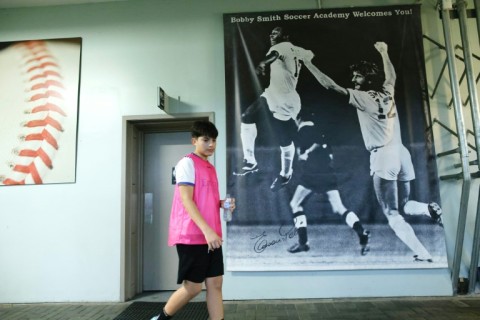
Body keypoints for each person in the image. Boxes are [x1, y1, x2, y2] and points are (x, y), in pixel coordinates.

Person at [302, 42, 442, 262]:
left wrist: (308, 63)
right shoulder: (387, 93)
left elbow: (329, 86)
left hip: (383, 156)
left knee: (391, 213)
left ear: (367, 79)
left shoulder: (364, 97)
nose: (354, 80)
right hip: (401, 153)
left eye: (357, 76)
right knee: (404, 205)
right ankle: (427, 209)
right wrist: (385, 52)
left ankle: (423, 253)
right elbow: (391, 77)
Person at [150, 120, 235, 320]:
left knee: (215, 284)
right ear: (194, 140)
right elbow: (186, 200)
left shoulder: (210, 167)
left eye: (214, 140)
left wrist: (222, 203)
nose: (211, 144)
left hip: (211, 236)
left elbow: (205, 200)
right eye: (206, 140)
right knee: (193, 287)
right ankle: (161, 318)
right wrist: (207, 231)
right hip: (193, 235)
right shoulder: (187, 163)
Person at [235, 26, 314, 192]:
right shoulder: (297, 49)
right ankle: (250, 160)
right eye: (270, 32)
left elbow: (273, 55)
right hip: (273, 94)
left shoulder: (280, 46)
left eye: (275, 32)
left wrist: (263, 63)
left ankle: (286, 173)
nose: (271, 35)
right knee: (247, 116)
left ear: (285, 35)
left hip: (285, 101)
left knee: (283, 140)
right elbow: (310, 54)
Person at [288, 118, 370, 255]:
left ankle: (303, 242)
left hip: (312, 174)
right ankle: (361, 232)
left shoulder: (303, 129)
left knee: (295, 204)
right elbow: (329, 154)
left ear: (298, 118)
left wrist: (306, 153)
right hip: (327, 173)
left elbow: (316, 143)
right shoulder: (316, 129)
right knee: (339, 208)